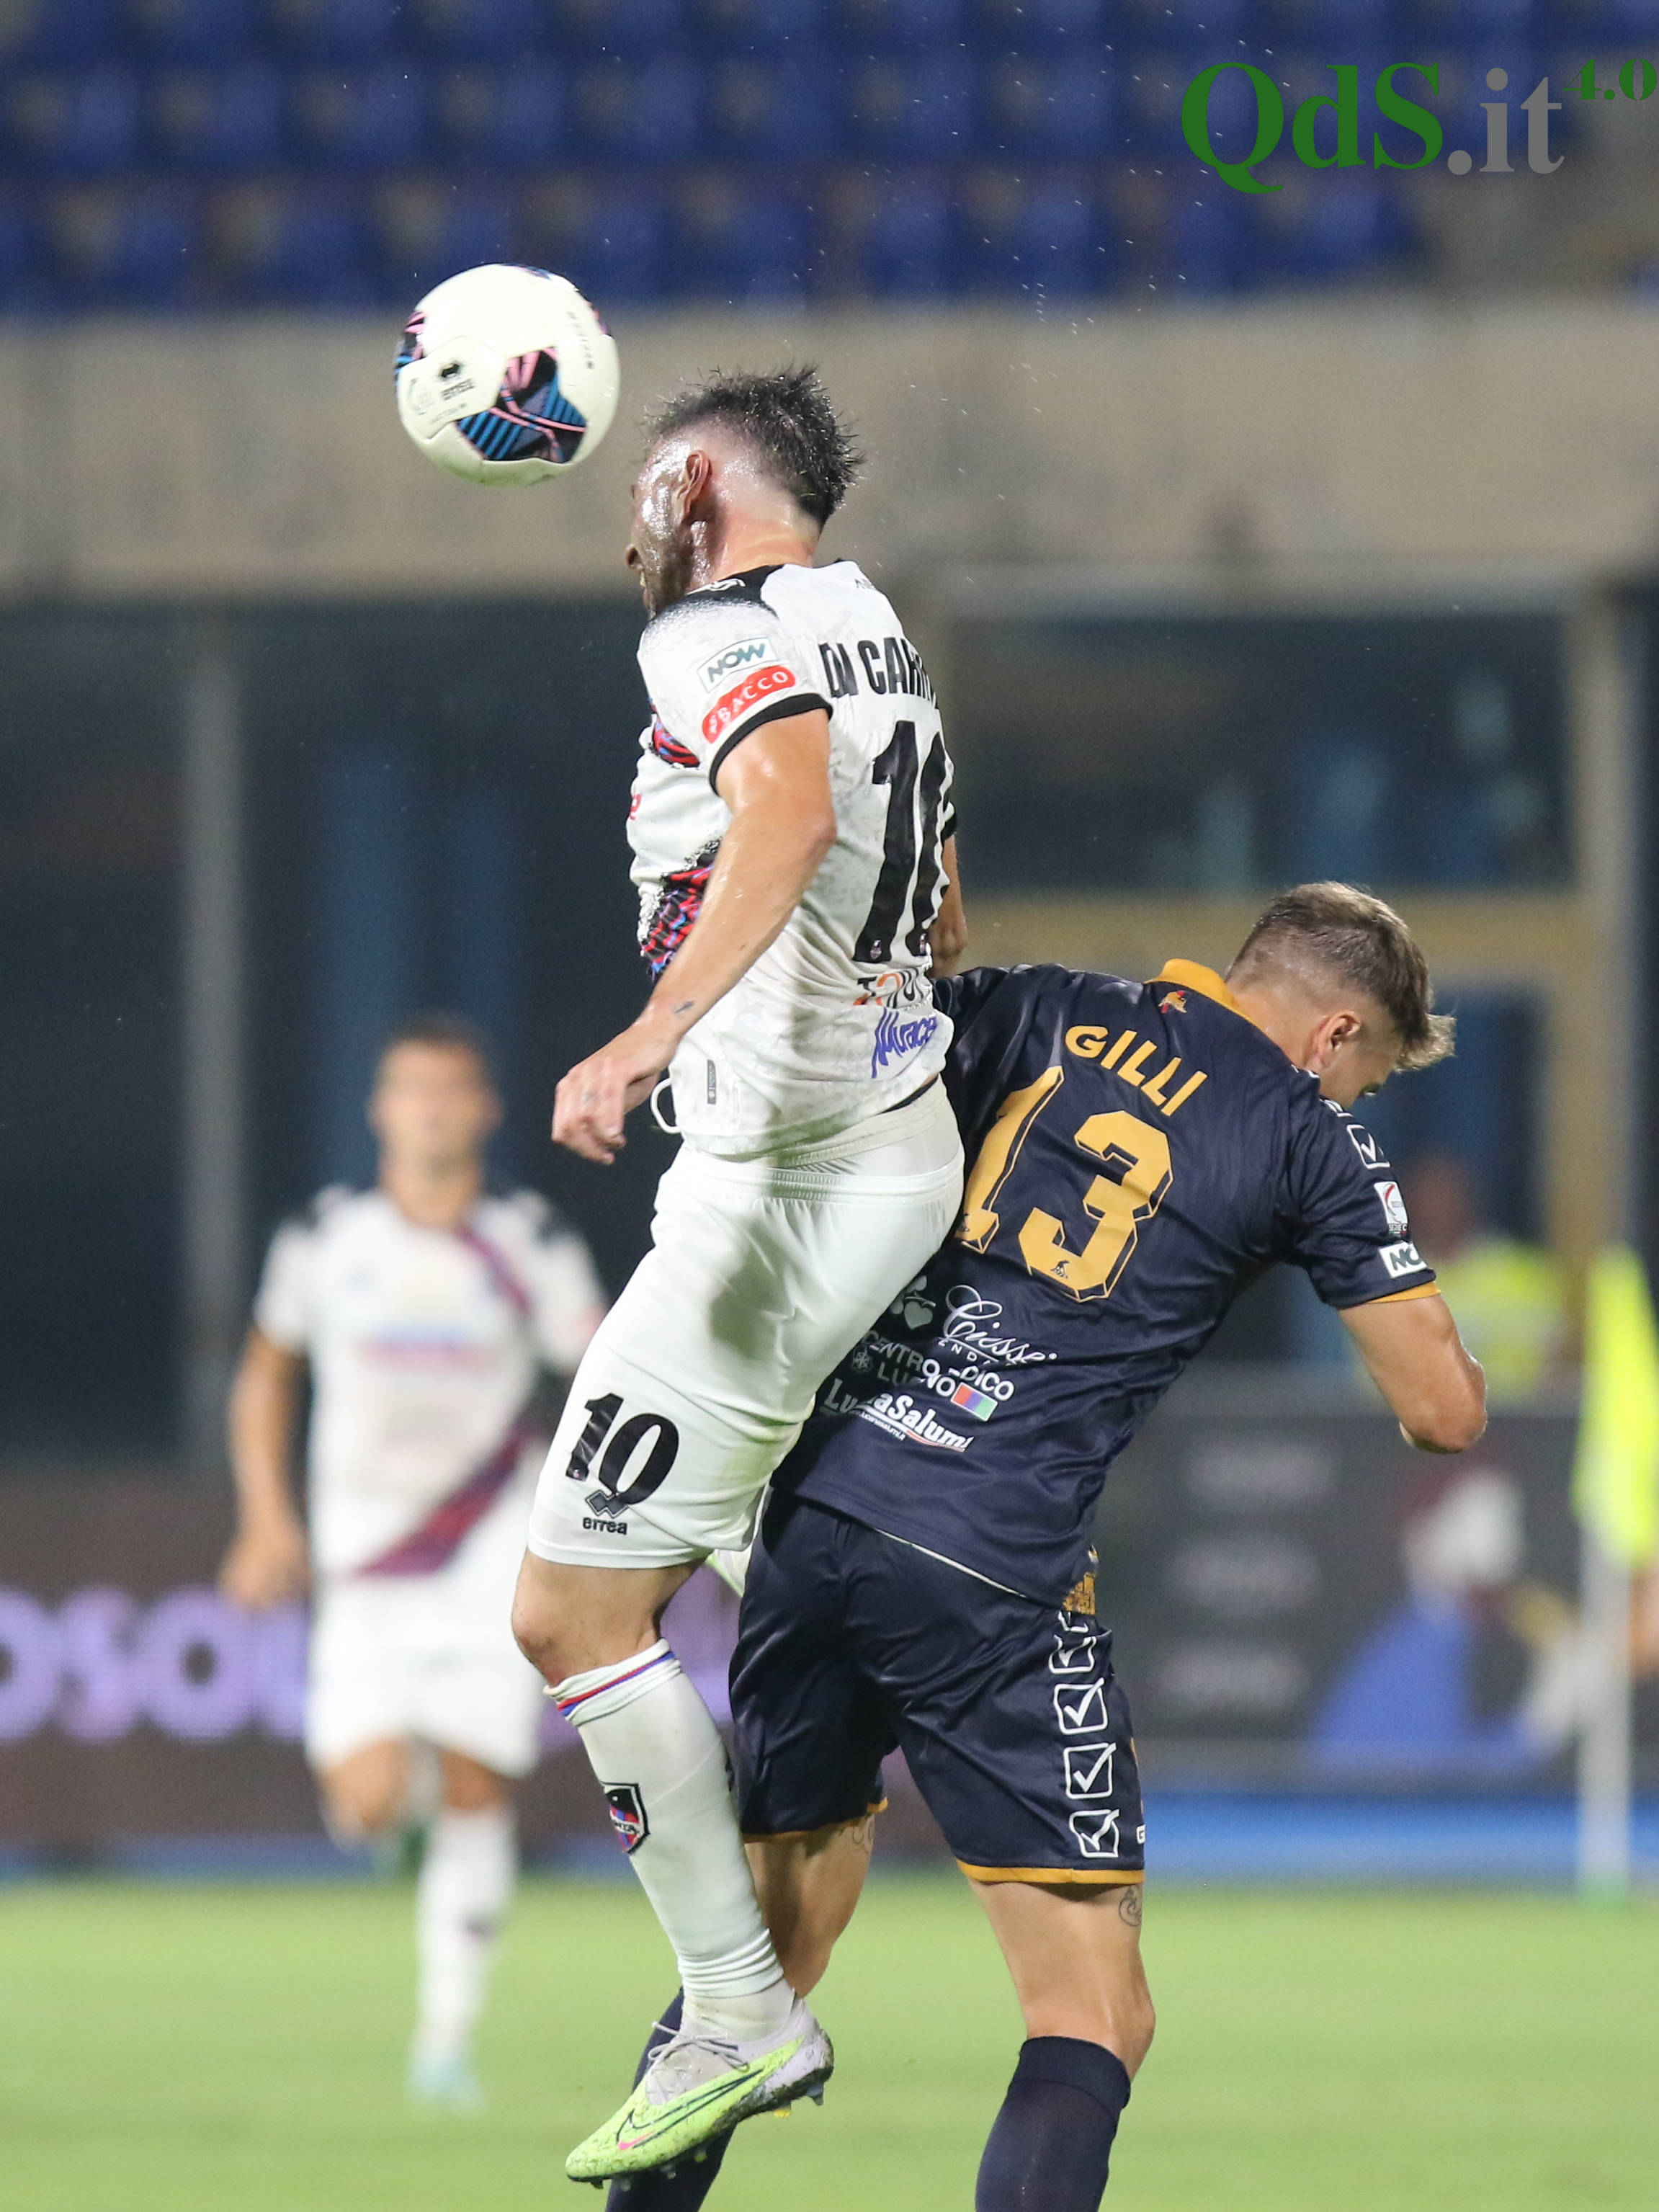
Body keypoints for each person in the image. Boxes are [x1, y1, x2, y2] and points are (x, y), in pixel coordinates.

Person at [602, 882, 1488, 2212]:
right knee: (1091, 2010)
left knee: (761, 1967)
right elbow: (1441, 1414)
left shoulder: (1034, 1006)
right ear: (1333, 1032)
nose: (1352, 1101)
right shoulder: (1305, 1134)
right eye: (1361, 1075)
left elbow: (837, 1095)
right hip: (986, 1555)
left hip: (814, 1511)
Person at [509, 365, 968, 2181]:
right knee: (781, 1611)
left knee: (571, 1616)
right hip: (882, 1150)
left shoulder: (717, 625)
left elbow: (780, 805)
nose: (629, 514)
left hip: (772, 1191)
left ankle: (737, 2003)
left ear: (698, 481)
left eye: (642, 481)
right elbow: (933, 893)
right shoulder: (875, 628)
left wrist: (647, 1034)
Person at [219, 1014, 605, 2108]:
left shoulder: (526, 1238)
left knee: (481, 1781)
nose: (431, 1107)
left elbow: (601, 1375)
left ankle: (444, 2044)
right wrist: (264, 1518)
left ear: (484, 1109)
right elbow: (265, 1373)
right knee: (372, 1799)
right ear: (380, 1109)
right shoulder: (327, 1239)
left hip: (489, 1547)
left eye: (451, 1090)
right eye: (410, 1089)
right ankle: (409, 1817)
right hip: (364, 1555)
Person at [1400, 1151, 1565, 1403]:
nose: (1439, 1207)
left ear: (1469, 1200)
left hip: (1518, 1423)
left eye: (1447, 1196)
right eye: (1429, 1198)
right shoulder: (1393, 1284)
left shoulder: (1521, 1273)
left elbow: (1559, 1363)